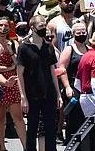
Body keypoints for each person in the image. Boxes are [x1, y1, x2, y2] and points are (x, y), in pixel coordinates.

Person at [16, 15, 61, 151]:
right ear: (33, 28)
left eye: (45, 25)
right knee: (32, 127)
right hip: (32, 94)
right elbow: (20, 74)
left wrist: (58, 94)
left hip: (49, 93)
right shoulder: (24, 48)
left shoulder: (48, 47)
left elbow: (53, 71)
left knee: (50, 128)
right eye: (41, 26)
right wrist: (23, 97)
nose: (44, 28)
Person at [0, 16, 27, 150]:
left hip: (13, 81)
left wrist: (10, 51)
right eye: (1, 25)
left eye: (6, 26)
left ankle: (27, 146)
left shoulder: (14, 43)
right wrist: (6, 68)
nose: (3, 28)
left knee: (18, 117)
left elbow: (17, 63)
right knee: (0, 119)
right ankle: (2, 147)